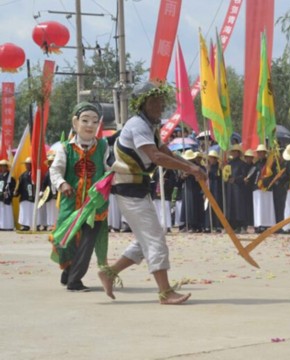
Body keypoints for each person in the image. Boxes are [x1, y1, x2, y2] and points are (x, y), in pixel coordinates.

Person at [98, 81, 206, 305]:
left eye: (160, 101)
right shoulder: (137, 125)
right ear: (143, 104)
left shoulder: (149, 126)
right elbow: (156, 157)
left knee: (145, 239)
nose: (159, 106)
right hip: (128, 189)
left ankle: (109, 272)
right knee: (155, 238)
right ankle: (165, 292)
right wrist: (190, 168)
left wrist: (191, 167)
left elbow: (164, 151)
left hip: (137, 188)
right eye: (154, 102)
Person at [49, 102, 110, 292]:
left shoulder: (103, 146)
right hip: (70, 203)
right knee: (64, 240)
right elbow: (55, 170)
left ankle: (75, 280)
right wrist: (62, 183)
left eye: (94, 121)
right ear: (75, 123)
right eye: (85, 121)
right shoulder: (65, 148)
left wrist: (106, 185)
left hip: (94, 205)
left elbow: (109, 170)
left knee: (87, 242)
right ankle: (68, 270)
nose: (90, 125)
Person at [251, 144, 276, 233]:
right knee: (258, 207)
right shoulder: (256, 164)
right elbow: (252, 175)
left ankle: (267, 224)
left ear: (265, 153)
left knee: (267, 206)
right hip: (257, 188)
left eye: (262, 152)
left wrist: (266, 182)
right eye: (259, 152)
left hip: (267, 187)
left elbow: (273, 174)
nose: (260, 154)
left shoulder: (269, 163)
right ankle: (258, 224)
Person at [13, 157, 34, 231]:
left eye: (29, 164)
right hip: (24, 196)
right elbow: (19, 185)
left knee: (33, 210)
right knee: (24, 210)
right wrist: (16, 192)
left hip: (33, 196)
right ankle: (25, 225)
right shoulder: (22, 176)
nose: (27, 166)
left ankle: (36, 224)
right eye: (26, 164)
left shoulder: (36, 174)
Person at [0, 159, 15, 231]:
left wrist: (8, 192)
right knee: (1, 212)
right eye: (1, 167)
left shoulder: (10, 177)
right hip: (0, 196)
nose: (2, 168)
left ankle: (8, 226)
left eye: (4, 167)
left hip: (6, 197)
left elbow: (12, 187)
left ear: (6, 167)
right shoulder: (0, 176)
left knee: (7, 211)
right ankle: (1, 226)